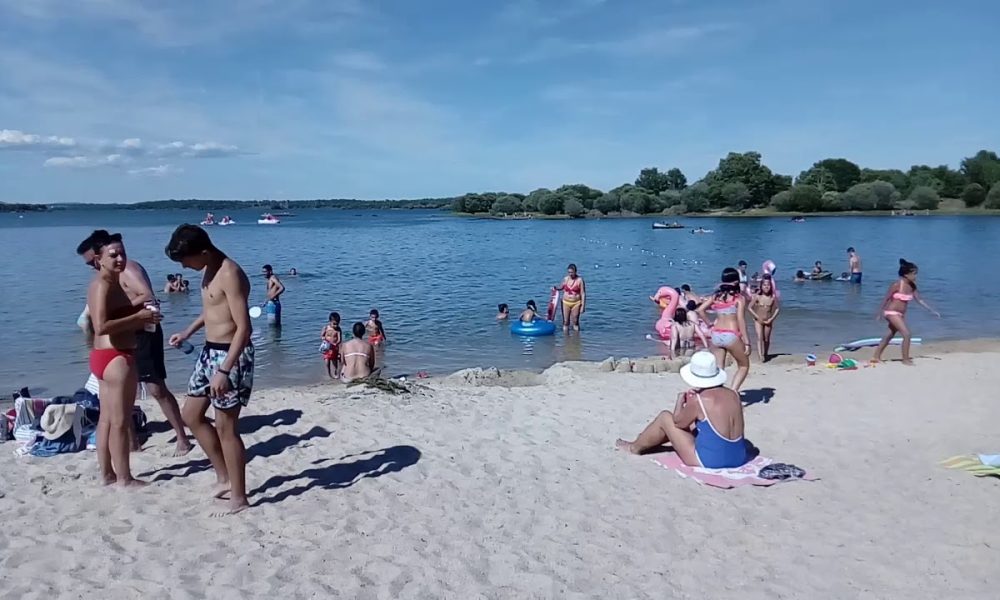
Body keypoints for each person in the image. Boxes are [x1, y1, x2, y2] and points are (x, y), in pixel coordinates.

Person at [166, 224, 254, 515]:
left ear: (202, 252)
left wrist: (225, 370)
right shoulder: (208, 268)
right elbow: (213, 309)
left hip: (231, 356)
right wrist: (188, 331)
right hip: (208, 352)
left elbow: (244, 327)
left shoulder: (230, 273)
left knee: (226, 428)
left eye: (184, 260)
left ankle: (239, 497)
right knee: (191, 415)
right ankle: (224, 477)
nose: (183, 267)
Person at [78, 233, 192, 456]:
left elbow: (148, 295)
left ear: (99, 253)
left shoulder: (127, 268)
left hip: (143, 331)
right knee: (123, 393)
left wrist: (118, 311)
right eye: (89, 263)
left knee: (156, 388)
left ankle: (181, 437)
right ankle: (132, 443)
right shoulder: (105, 277)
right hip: (123, 332)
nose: (92, 266)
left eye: (92, 260)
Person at [83, 230, 160, 487]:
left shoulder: (110, 282)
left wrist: (138, 310)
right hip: (115, 357)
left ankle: (107, 474)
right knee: (120, 421)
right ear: (99, 259)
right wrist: (139, 318)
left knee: (106, 419)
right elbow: (101, 325)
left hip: (104, 356)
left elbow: (113, 314)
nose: (119, 259)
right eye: (113, 255)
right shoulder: (102, 284)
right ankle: (124, 478)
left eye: (122, 253)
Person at [615, 351, 747, 468]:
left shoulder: (699, 400)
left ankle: (634, 447)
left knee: (665, 417)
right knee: (696, 428)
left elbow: (678, 423)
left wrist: (681, 401)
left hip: (710, 461)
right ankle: (646, 441)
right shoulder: (733, 394)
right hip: (739, 457)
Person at [872, 258, 940, 365]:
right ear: (906, 275)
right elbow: (886, 299)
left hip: (900, 314)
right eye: (914, 274)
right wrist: (879, 313)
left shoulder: (912, 286)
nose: (916, 276)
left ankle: (876, 356)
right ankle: (905, 359)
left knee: (890, 335)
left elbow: (920, 300)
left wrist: (932, 310)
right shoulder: (896, 285)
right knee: (907, 334)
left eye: (916, 274)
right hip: (891, 312)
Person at [696, 267, 751, 392]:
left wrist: (709, 324)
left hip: (716, 334)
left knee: (719, 369)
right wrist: (747, 342)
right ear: (736, 282)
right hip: (731, 334)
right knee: (743, 365)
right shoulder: (738, 298)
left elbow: (700, 310)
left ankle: (718, 394)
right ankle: (733, 392)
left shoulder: (716, 296)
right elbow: (741, 321)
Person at [748, 275, 780, 362]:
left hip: (768, 320)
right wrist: (756, 316)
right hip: (758, 320)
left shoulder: (772, 298)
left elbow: (777, 309)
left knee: (766, 339)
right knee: (759, 337)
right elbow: (749, 307)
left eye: (768, 285)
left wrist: (772, 319)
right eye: (764, 285)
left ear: (771, 286)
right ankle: (760, 355)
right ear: (761, 286)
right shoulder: (758, 297)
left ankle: (765, 353)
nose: (766, 287)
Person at [554, 263, 586, 331]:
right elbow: (561, 287)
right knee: (566, 322)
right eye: (569, 272)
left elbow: (583, 293)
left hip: (576, 303)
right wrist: (556, 288)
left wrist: (583, 306)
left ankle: (576, 338)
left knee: (575, 321)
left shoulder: (580, 280)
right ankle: (566, 339)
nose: (570, 274)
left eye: (572, 272)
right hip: (565, 302)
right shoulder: (566, 279)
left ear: (575, 272)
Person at [320, 312, 342, 380]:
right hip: (327, 347)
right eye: (334, 324)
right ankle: (329, 374)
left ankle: (336, 372)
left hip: (334, 348)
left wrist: (336, 343)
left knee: (334, 361)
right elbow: (322, 335)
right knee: (327, 362)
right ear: (330, 322)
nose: (335, 325)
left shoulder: (338, 330)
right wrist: (323, 338)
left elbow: (339, 339)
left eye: (337, 324)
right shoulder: (326, 328)